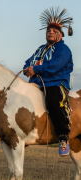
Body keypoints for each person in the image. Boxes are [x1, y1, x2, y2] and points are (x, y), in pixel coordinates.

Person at [23, 7, 73, 156]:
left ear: (60, 34)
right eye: (48, 31)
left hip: (56, 84)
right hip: (36, 85)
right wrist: (27, 68)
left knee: (52, 101)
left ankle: (63, 136)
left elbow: (55, 66)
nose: (50, 32)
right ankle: (23, 132)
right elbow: (28, 62)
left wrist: (35, 70)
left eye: (53, 31)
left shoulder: (63, 49)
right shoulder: (40, 49)